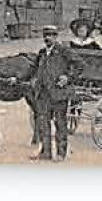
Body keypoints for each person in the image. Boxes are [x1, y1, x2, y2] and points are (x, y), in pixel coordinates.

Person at [31, 24, 74, 161]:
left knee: (60, 123)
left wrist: (68, 77)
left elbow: (80, 65)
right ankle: (46, 153)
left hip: (59, 93)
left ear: (56, 37)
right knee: (44, 124)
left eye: (51, 35)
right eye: (45, 35)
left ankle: (61, 154)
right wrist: (17, 78)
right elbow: (32, 69)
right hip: (43, 94)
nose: (47, 38)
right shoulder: (42, 53)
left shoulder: (64, 51)